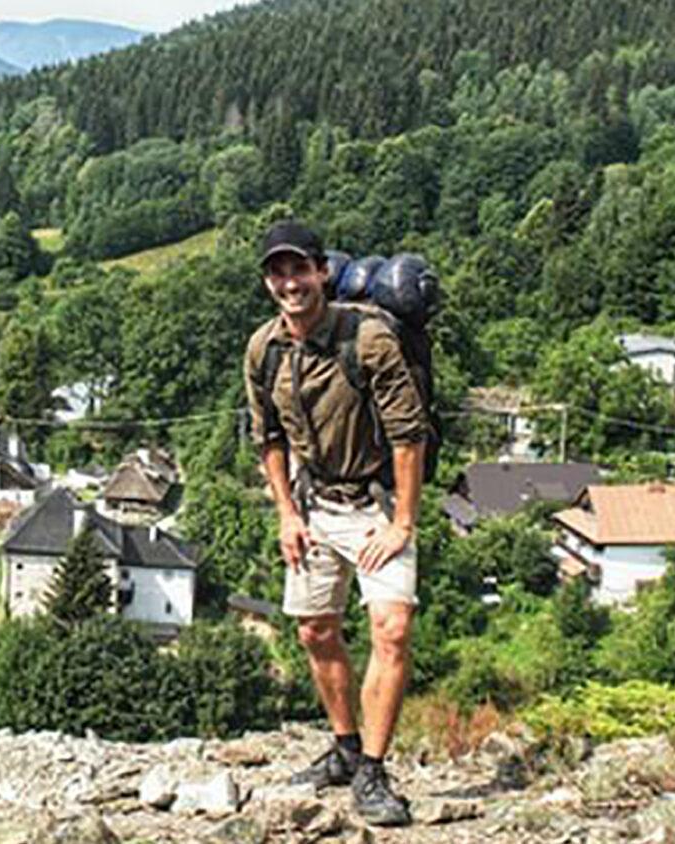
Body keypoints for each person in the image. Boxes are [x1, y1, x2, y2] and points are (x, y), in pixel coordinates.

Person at [242, 220, 428, 827]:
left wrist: (402, 522)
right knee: (315, 632)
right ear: (269, 282)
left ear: (323, 272)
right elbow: (267, 438)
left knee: (392, 628)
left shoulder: (370, 339)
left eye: (301, 269)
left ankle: (373, 771)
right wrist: (286, 514)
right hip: (313, 505)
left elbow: (408, 435)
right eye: (279, 271)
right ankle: (346, 748)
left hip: (376, 504)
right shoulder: (263, 349)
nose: (290, 281)